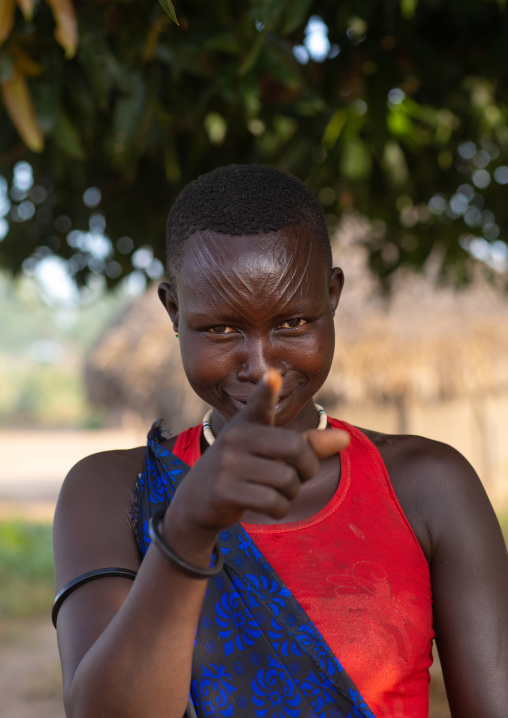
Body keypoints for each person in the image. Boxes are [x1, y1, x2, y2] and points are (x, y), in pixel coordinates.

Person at [53, 165, 508, 718]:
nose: (261, 368)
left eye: (293, 323)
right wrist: (188, 534)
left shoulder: (429, 486)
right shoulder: (109, 490)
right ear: (174, 311)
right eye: (221, 329)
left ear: (332, 296)